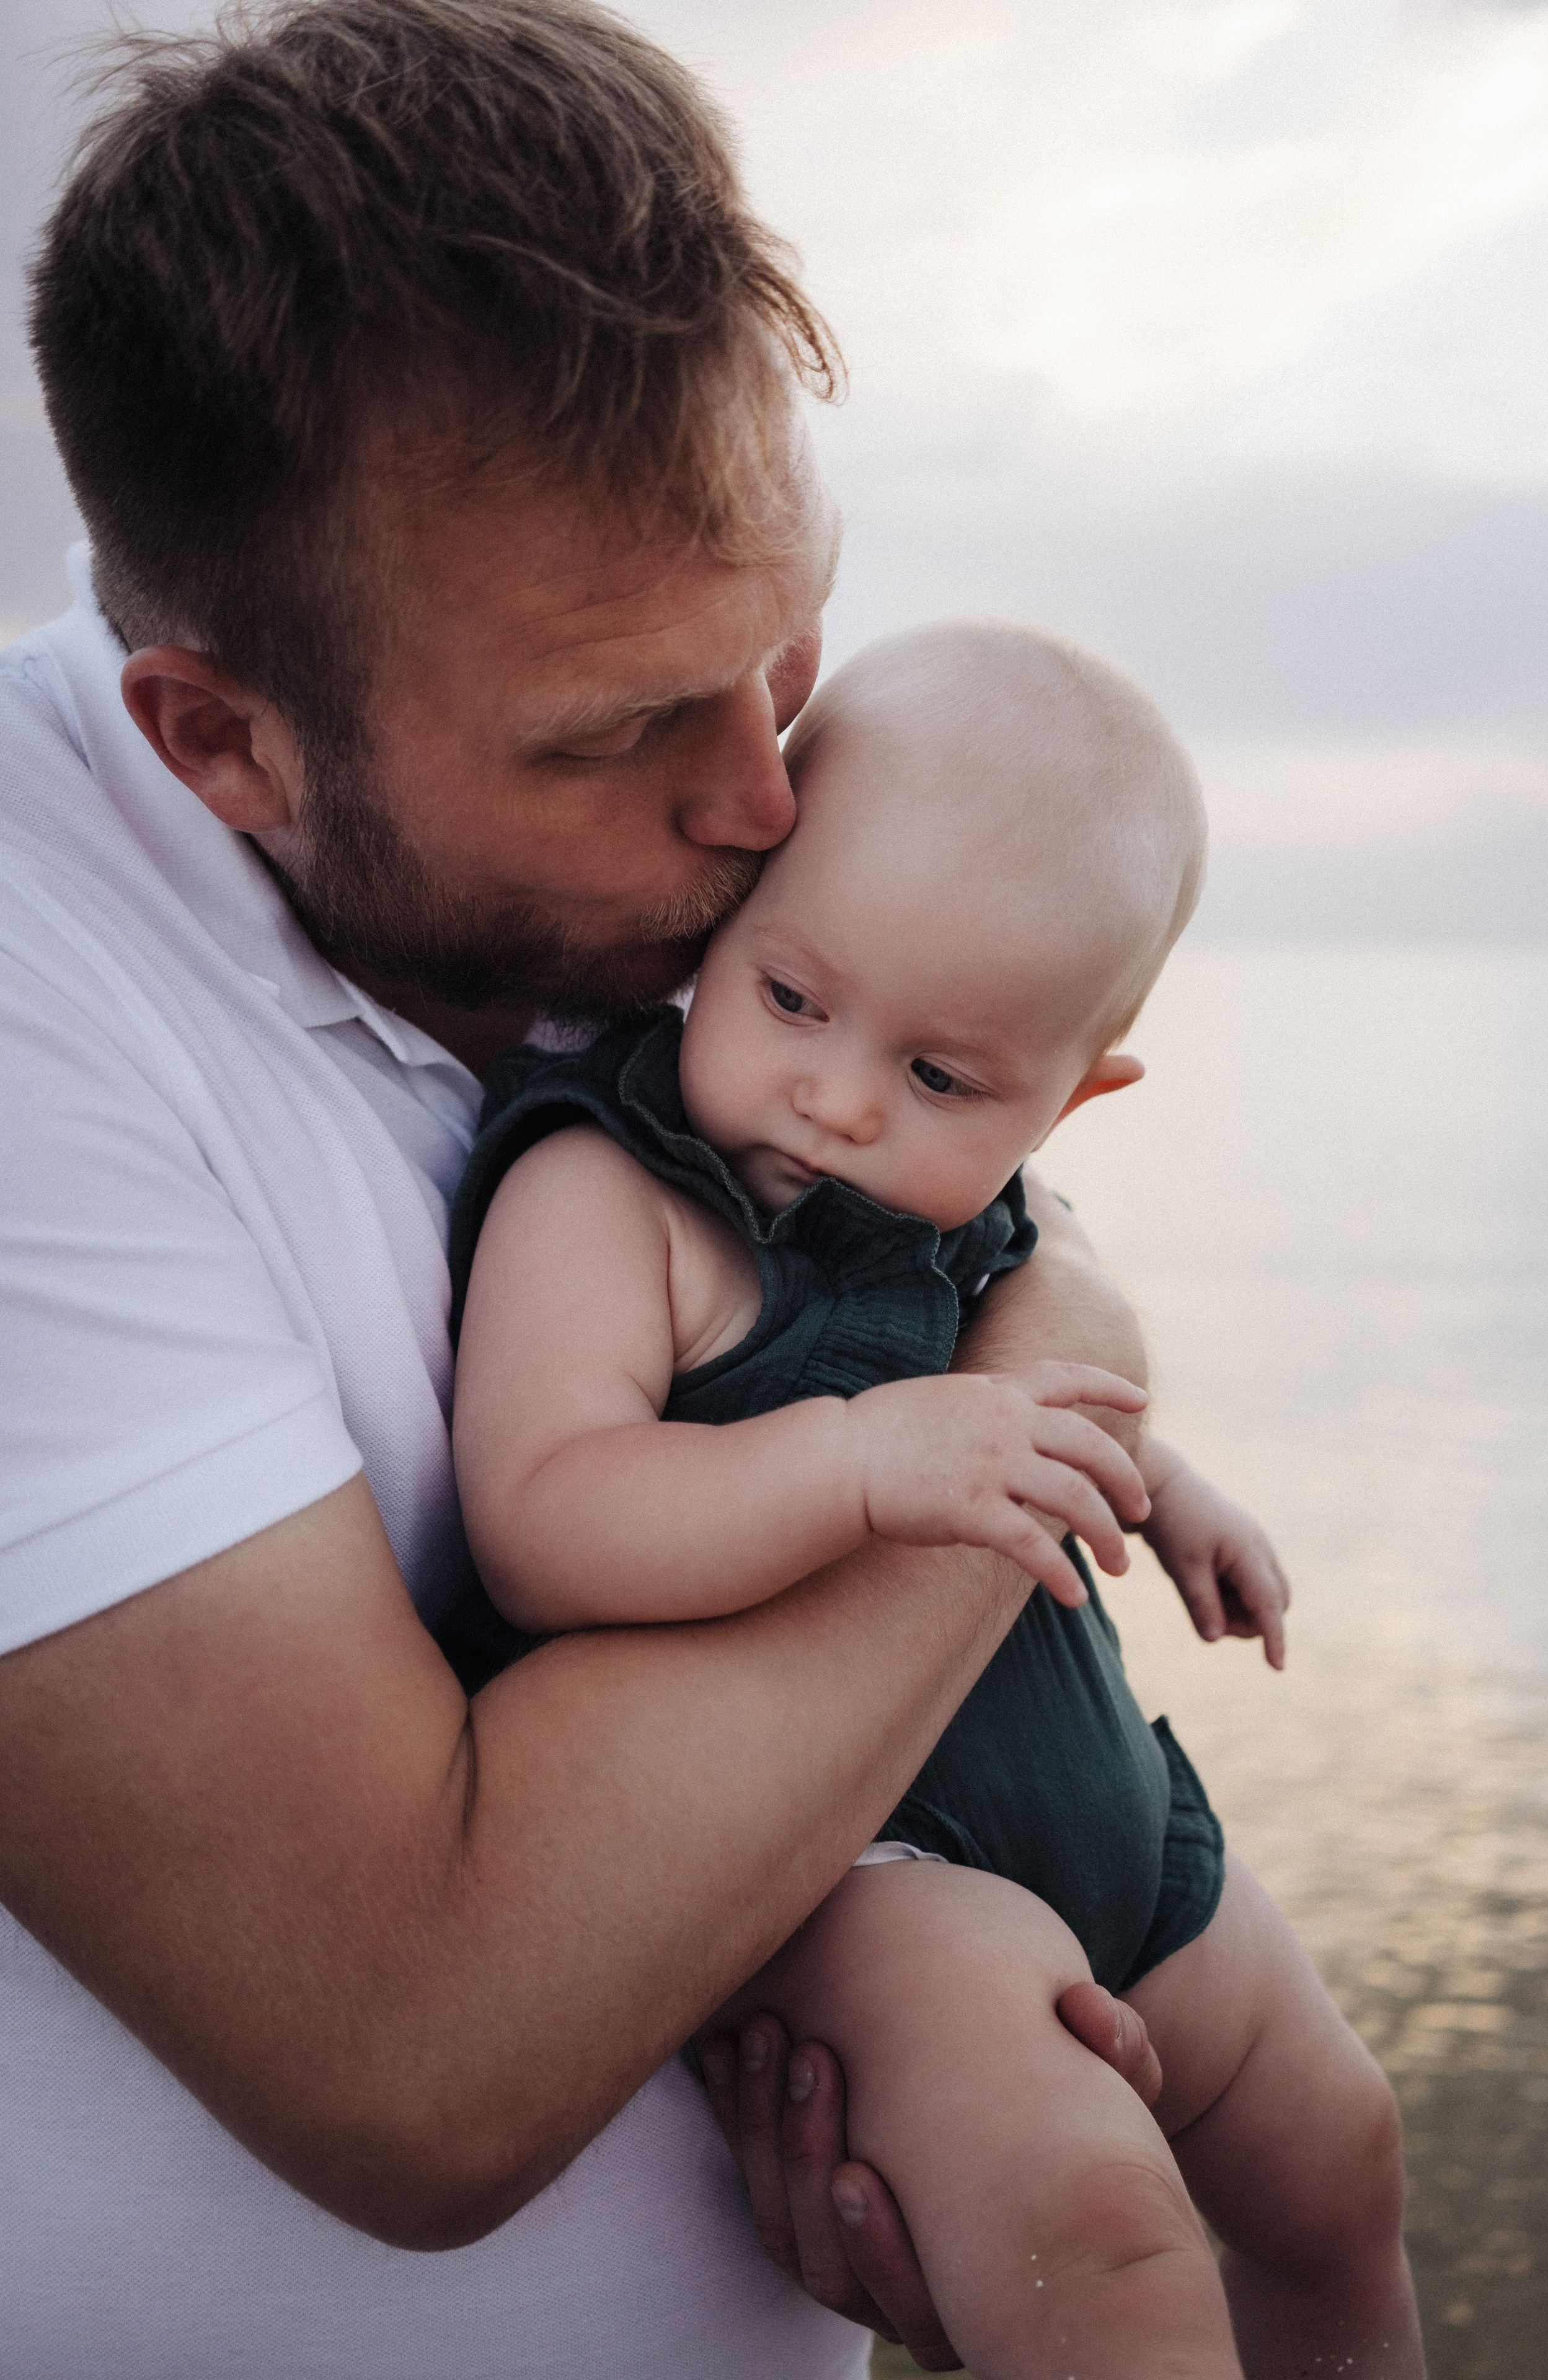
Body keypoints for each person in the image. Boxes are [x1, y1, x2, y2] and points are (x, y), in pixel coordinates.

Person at [0, 4, 1186, 2373]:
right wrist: (1064, 1353)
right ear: (225, 739)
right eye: (626, 732)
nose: (762, 803)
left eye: (783, 648)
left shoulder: (586, 854)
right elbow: (413, 2053)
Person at [446, 622, 1424, 2379]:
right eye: (793, 998)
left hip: (1115, 1807)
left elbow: (1025, 1415)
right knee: (1104, 2248)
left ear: (1076, 1095)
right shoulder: (616, 1190)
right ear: (716, 931)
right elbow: (544, 1506)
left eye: (944, 1078)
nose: (834, 1098)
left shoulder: (980, 1217)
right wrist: (855, 1459)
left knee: (1343, 2157)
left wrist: (1161, 1480)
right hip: (874, 1874)